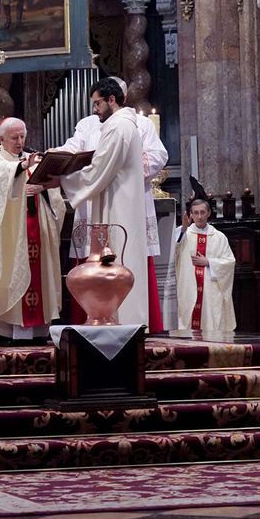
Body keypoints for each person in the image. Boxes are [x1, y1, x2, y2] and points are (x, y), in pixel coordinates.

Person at [54, 77, 169, 330]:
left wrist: (61, 179)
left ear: (111, 100)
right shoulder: (119, 124)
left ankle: (123, 324)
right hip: (117, 201)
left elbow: (99, 169)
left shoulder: (120, 128)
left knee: (119, 260)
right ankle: (118, 321)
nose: (94, 110)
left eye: (97, 104)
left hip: (120, 206)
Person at [0, 117, 65, 342]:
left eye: (23, 136)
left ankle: (38, 331)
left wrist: (42, 186)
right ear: (1, 138)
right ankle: (9, 330)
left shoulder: (32, 158)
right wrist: (22, 167)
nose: (20, 141)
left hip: (38, 230)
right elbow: (0, 175)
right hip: (11, 234)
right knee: (10, 276)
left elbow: (51, 192)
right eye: (14, 137)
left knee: (39, 275)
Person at [170, 198, 236, 338]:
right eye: (195, 213)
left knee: (211, 322)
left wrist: (209, 262)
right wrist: (183, 229)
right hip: (188, 287)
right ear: (190, 215)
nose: (199, 217)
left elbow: (229, 262)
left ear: (209, 213)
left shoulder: (219, 237)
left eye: (202, 212)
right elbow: (172, 253)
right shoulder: (183, 233)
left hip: (211, 291)